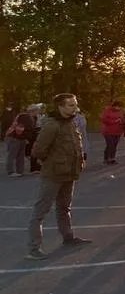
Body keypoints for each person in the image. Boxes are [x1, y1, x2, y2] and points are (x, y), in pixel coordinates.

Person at [25, 93, 90, 260]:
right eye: (71, 105)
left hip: (69, 173)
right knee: (41, 211)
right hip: (53, 175)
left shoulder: (71, 123)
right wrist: (51, 163)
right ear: (60, 107)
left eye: (75, 104)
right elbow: (38, 150)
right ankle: (34, 248)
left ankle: (68, 237)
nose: (75, 108)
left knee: (64, 207)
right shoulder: (52, 125)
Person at [6, 108, 31, 177]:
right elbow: (19, 128)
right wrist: (23, 136)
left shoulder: (27, 117)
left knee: (20, 155)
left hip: (20, 138)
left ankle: (20, 171)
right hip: (15, 137)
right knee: (13, 155)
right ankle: (10, 171)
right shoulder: (24, 117)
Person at [100, 100, 125, 165]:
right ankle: (106, 158)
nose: (118, 108)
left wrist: (122, 123)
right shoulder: (107, 111)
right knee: (110, 145)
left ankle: (112, 158)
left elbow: (123, 120)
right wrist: (115, 121)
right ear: (114, 106)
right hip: (108, 131)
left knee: (114, 145)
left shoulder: (120, 112)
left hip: (118, 131)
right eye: (117, 106)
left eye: (120, 107)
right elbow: (104, 120)